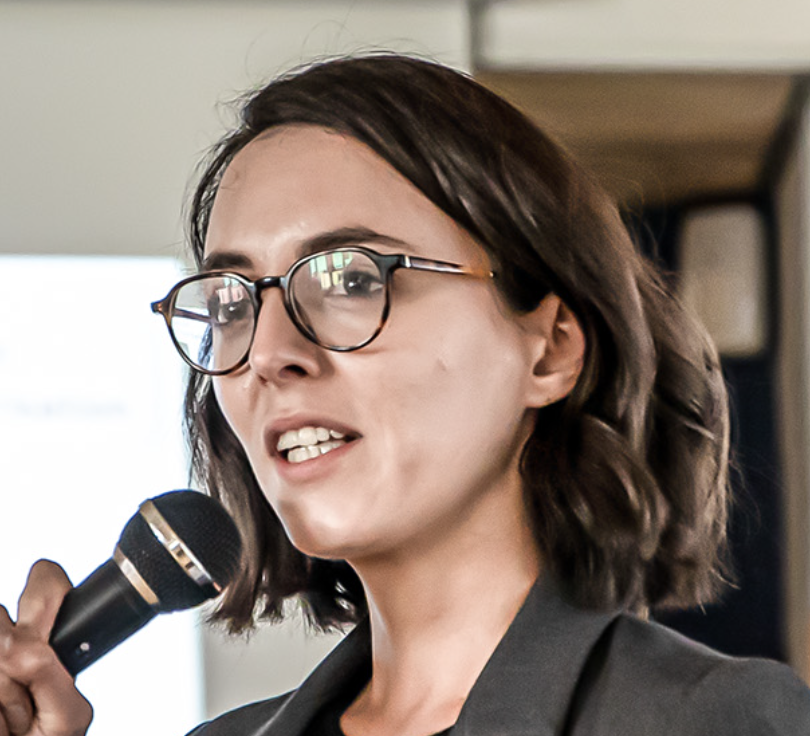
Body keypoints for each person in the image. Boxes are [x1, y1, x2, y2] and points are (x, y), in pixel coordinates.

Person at [2, 53, 809, 736]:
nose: (270, 354)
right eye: (230, 302)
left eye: (350, 279)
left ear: (550, 348)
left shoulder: (716, 719)